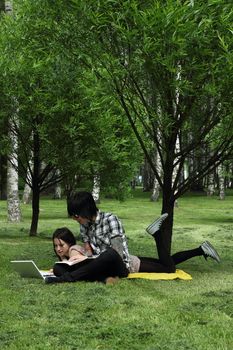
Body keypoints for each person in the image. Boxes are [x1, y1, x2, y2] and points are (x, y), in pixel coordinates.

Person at [45, 221, 220, 284]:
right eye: (56, 246)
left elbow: (78, 256)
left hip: (133, 265)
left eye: (61, 245)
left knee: (168, 268)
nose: (58, 249)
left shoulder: (74, 250)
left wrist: (71, 261)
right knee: (167, 262)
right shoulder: (67, 256)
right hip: (130, 260)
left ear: (70, 244)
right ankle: (201, 249)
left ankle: (157, 234)